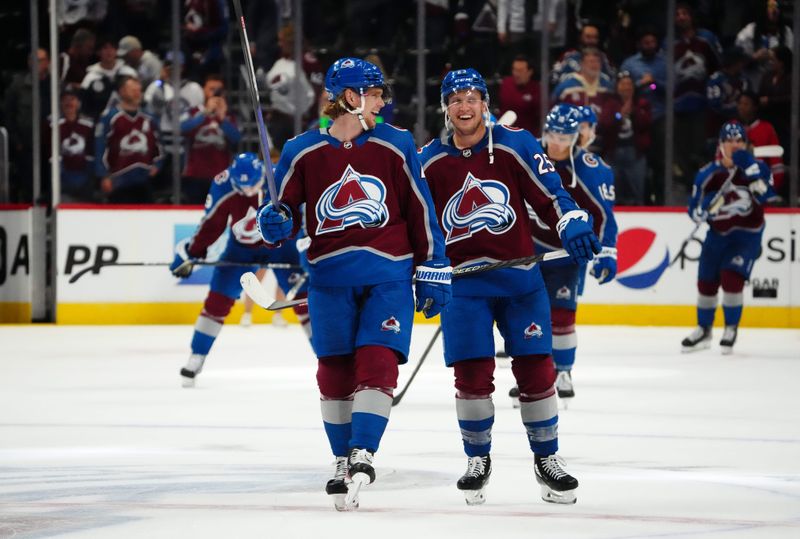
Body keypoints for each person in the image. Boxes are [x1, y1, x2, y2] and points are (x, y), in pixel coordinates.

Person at [255, 58, 450, 511]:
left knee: (378, 360)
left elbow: (421, 211)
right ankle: (342, 459)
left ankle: (364, 449)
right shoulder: (299, 150)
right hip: (329, 278)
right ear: (350, 97)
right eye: (375, 93)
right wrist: (272, 221)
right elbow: (279, 221)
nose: (384, 100)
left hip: (389, 275)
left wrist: (434, 265)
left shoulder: (397, 144)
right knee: (334, 371)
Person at [419, 69, 601, 507]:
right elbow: (413, 217)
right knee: (472, 376)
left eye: (471, 98)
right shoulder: (428, 159)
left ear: (485, 103)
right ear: (445, 107)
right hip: (463, 286)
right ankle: (477, 460)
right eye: (455, 99)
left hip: (520, 282)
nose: (464, 106)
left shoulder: (515, 144)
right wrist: (422, 265)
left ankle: (547, 459)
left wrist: (570, 219)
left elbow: (551, 193)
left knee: (538, 370)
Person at [170, 152, 311, 387]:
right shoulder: (223, 183)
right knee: (217, 300)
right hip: (241, 250)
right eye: (241, 187)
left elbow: (304, 213)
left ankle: (331, 361)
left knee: (307, 302)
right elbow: (211, 223)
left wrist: (307, 247)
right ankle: (197, 356)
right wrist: (192, 253)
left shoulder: (279, 178)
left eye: (252, 186)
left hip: (282, 246)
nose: (246, 192)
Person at [527, 103, 617, 403]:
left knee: (563, 314)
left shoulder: (591, 168)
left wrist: (607, 252)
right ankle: (534, 374)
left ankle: (563, 370)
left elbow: (604, 215)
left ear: (576, 138)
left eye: (564, 138)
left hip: (565, 255)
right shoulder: (527, 156)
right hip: (526, 252)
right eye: (553, 135)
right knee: (528, 317)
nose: (556, 143)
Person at [682, 122, 777, 354]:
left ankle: (730, 328)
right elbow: (694, 213)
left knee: (731, 278)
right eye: (729, 141)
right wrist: (706, 207)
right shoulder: (707, 174)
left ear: (745, 144)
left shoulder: (759, 168)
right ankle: (704, 330)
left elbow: (769, 198)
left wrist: (754, 176)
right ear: (720, 145)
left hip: (747, 236)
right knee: (706, 282)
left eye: (739, 141)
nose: (735, 145)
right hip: (717, 235)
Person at [95, 76, 163, 203]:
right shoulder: (110, 117)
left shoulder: (149, 118)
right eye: (133, 90)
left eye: (139, 90)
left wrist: (157, 165)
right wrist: (104, 176)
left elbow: (158, 144)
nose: (138, 93)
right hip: (119, 179)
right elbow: (100, 147)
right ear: (122, 91)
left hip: (144, 179)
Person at [180, 74, 241, 203]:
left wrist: (222, 119)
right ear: (204, 91)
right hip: (195, 175)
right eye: (211, 89)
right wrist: (206, 113)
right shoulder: (194, 112)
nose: (215, 93)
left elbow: (236, 138)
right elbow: (183, 129)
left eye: (219, 90)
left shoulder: (229, 116)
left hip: (221, 176)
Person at [47, 86, 96, 202]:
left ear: (78, 103)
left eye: (72, 99)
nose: (69, 103)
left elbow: (91, 151)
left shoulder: (88, 124)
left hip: (84, 175)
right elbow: (49, 151)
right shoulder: (52, 124)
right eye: (65, 99)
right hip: (62, 175)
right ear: (60, 103)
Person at [498, 55, 541, 136]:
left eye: (520, 70)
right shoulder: (506, 83)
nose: (516, 74)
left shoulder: (537, 89)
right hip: (505, 135)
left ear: (530, 72)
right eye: (514, 70)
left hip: (527, 136)